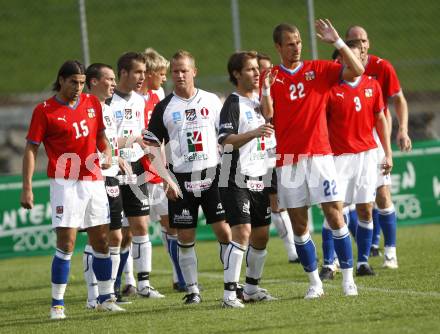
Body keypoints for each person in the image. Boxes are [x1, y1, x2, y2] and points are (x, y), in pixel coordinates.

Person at [261, 19, 364, 298]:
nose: (296, 48)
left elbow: (358, 69)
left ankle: (347, 279)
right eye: (290, 44)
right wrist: (266, 88)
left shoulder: (318, 69)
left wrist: (338, 43)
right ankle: (315, 283)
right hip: (289, 160)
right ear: (278, 47)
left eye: (298, 42)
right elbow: (267, 114)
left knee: (335, 214)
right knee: (299, 224)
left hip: (319, 155)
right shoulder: (270, 76)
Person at [21, 60, 124, 319]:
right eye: (73, 82)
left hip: (93, 179)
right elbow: (31, 149)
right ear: (61, 80)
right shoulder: (44, 111)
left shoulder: (92, 104)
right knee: (66, 243)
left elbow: (101, 136)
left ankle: (105, 298)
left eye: (81, 83)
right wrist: (27, 188)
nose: (78, 87)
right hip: (64, 183)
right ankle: (57, 304)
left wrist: (108, 151)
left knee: (102, 240)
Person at [143, 50, 231, 304]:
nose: (179, 75)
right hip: (181, 180)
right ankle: (192, 289)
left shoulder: (212, 101)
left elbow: (226, 137)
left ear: (195, 71)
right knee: (185, 237)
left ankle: (231, 283)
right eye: (175, 71)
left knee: (224, 232)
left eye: (184, 70)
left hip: (212, 174)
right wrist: (166, 179)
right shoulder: (164, 107)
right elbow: (151, 145)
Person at [320, 41, 393, 280]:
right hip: (338, 158)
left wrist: (388, 151)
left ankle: (362, 262)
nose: (358, 59)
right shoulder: (329, 90)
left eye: (360, 54)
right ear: (340, 61)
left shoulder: (372, 85)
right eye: (350, 55)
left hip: (367, 156)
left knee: (366, 209)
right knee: (334, 210)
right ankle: (329, 264)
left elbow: (380, 118)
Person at [345, 25, 411, 268]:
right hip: (349, 139)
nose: (360, 44)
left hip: (375, 138)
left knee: (382, 195)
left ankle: (390, 251)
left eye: (363, 40)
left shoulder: (382, 67)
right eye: (354, 40)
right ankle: (364, 248)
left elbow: (398, 101)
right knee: (348, 202)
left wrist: (402, 130)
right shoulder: (340, 70)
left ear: (368, 43)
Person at [219, 51, 278, 308]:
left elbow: (269, 113)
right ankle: (229, 294)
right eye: (251, 69)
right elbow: (225, 140)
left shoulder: (257, 100)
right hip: (234, 175)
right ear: (236, 74)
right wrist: (254, 132)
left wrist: (266, 88)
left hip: (260, 174)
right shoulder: (232, 103)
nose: (256, 73)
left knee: (261, 235)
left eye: (258, 69)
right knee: (242, 232)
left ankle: (252, 288)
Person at [108, 52, 164, 298]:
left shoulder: (140, 101)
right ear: (123, 73)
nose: (143, 77)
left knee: (140, 225)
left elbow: (142, 132)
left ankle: (143, 284)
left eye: (144, 72)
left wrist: (148, 151)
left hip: (136, 167)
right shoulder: (107, 102)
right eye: (138, 72)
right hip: (112, 170)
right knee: (115, 232)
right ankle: (111, 286)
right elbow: (103, 139)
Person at [82, 63, 134, 307]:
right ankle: (95, 296)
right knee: (97, 236)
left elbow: (108, 141)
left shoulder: (107, 109)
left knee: (115, 234)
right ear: (93, 82)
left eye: (114, 79)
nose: (113, 83)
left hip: (111, 175)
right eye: (109, 79)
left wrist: (120, 153)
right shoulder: (85, 109)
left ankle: (108, 293)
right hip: (94, 178)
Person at [137, 47, 186, 292]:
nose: (165, 78)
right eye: (161, 73)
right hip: (137, 173)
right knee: (133, 229)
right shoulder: (132, 100)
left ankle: (179, 277)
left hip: (157, 171)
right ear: (149, 73)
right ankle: (132, 283)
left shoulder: (158, 96)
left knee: (171, 225)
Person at [257, 52, 299, 264]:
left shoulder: (278, 90)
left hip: (277, 152)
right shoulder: (247, 96)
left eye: (266, 69)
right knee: (271, 205)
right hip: (255, 157)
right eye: (258, 71)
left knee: (285, 202)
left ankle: (294, 246)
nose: (263, 75)